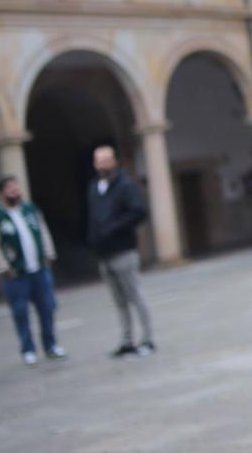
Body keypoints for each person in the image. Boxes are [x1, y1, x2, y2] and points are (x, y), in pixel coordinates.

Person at [0, 177, 68, 366]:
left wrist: (49, 253)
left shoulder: (30, 210)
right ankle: (28, 349)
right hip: (15, 274)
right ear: (1, 192)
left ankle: (51, 345)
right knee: (20, 312)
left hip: (39, 268)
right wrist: (3, 267)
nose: (15, 190)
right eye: (10, 188)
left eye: (16, 186)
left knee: (48, 307)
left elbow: (43, 231)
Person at [88, 144, 155, 358]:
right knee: (118, 300)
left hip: (123, 250)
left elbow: (138, 212)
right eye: (99, 161)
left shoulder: (125, 186)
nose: (103, 164)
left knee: (135, 295)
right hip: (104, 253)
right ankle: (127, 340)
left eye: (106, 160)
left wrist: (114, 228)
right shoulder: (94, 188)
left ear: (114, 161)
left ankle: (148, 339)